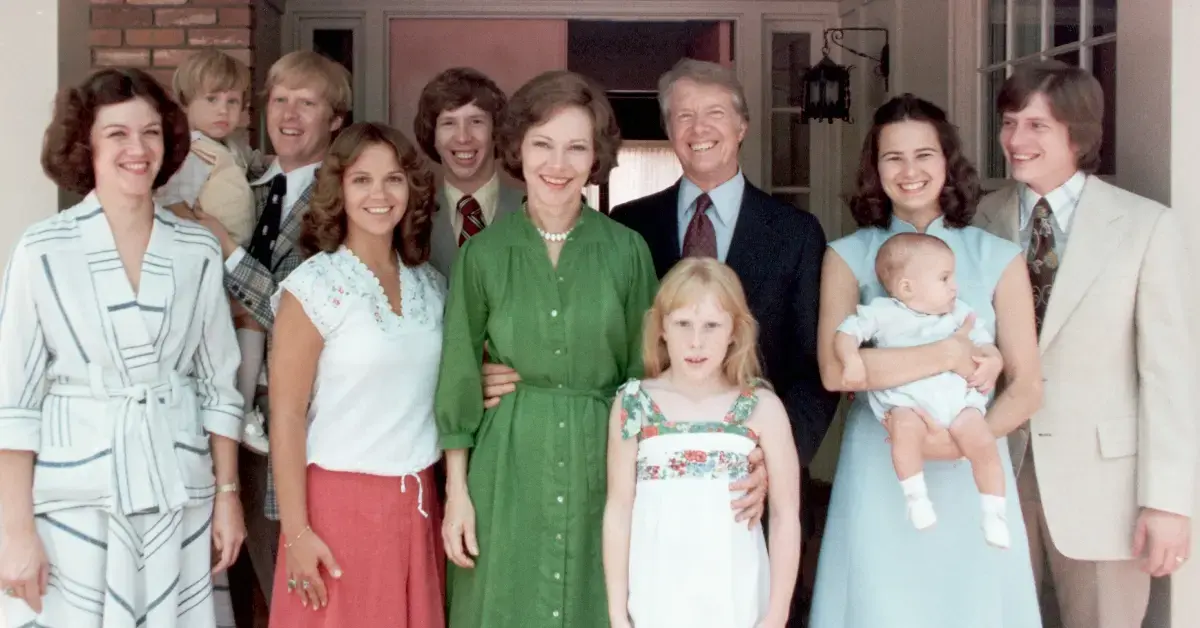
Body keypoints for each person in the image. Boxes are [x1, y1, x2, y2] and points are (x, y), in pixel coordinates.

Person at [0, 68, 246, 627]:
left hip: (177, 489)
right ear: (85, 143)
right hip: (73, 496)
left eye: (152, 132)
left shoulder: (196, 248)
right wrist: (14, 531)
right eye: (118, 134)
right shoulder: (43, 249)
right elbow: (12, 401)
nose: (138, 149)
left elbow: (218, 384)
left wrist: (227, 496)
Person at [808, 94, 1043, 628]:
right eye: (893, 157)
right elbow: (835, 370)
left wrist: (959, 439)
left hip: (973, 469)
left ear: (948, 162)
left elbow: (1027, 386)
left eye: (924, 155)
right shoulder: (848, 255)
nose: (909, 171)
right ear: (875, 168)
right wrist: (948, 353)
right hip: (880, 463)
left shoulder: (998, 257)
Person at [434, 70, 657, 627]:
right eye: (543, 145)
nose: (557, 165)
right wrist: (457, 496)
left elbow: (647, 378)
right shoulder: (483, 255)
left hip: (604, 461)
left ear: (595, 156)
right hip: (507, 464)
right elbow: (459, 375)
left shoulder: (627, 252)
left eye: (576, 147)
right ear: (517, 148)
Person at [975, 62, 1195, 628]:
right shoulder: (982, 218)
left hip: (1106, 494)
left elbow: (1170, 376)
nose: (1015, 141)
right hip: (996, 476)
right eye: (1008, 123)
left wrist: (1169, 501)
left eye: (1035, 126)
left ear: (1080, 132)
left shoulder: (1146, 226)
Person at [266, 122, 445, 627]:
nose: (379, 194)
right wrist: (296, 532)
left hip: (417, 507)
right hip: (337, 510)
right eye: (362, 179)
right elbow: (285, 416)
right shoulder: (313, 287)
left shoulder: (430, 285)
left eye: (393, 179)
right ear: (338, 189)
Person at [190, 49, 352, 605]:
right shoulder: (243, 182)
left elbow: (301, 313)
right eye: (280, 100)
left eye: (307, 103)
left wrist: (225, 247)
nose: (289, 114)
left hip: (291, 426)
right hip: (215, 419)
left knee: (291, 586)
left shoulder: (343, 199)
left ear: (335, 119)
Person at [603, 258, 802, 628]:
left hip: (735, 596)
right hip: (656, 596)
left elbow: (786, 514)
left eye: (712, 326)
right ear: (661, 326)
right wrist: (617, 611)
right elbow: (619, 508)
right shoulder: (634, 404)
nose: (696, 342)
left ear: (734, 331)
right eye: (683, 324)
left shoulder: (760, 407)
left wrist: (777, 613)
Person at [834, 233, 1008, 548]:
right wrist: (851, 360)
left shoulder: (958, 313)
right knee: (903, 431)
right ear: (906, 288)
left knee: (983, 442)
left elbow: (985, 344)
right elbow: (846, 332)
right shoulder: (882, 312)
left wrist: (993, 362)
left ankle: (993, 510)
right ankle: (915, 496)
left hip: (957, 402)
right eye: (944, 278)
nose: (954, 285)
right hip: (908, 401)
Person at [158, 48, 270, 456]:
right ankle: (237, 410)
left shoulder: (230, 146)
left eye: (233, 101)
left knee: (252, 321)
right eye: (212, 100)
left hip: (233, 254)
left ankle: (246, 396)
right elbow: (171, 202)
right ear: (186, 102)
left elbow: (255, 166)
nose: (224, 109)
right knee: (240, 322)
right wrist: (200, 234)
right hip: (209, 257)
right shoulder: (191, 151)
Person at [413, 67, 524, 275]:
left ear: (496, 131)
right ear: (433, 136)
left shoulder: (533, 212)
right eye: (449, 123)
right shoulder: (412, 217)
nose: (463, 137)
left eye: (476, 121)